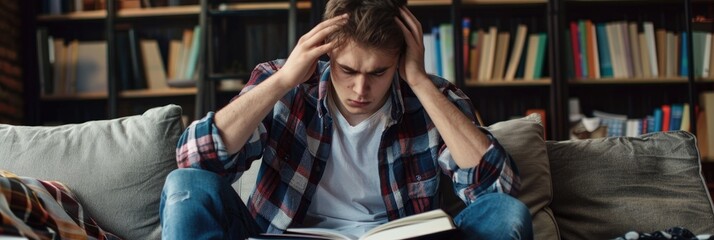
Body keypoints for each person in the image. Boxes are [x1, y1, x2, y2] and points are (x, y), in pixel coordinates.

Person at [160, 0, 533, 239]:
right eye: (347, 69)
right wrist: (285, 80)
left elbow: (499, 193)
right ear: (327, 54)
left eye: (378, 72)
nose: (360, 88)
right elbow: (193, 163)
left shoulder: (433, 99)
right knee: (186, 186)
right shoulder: (286, 83)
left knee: (506, 215)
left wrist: (418, 81)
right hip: (282, 236)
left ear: (400, 61)